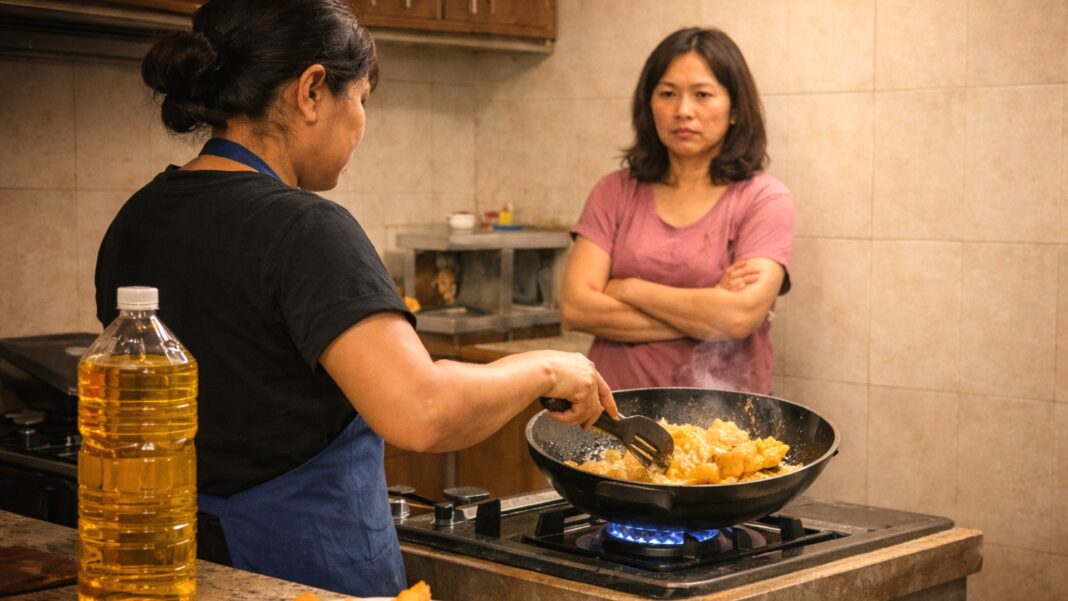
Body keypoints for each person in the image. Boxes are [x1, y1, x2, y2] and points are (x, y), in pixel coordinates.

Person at [94, 0, 615, 596]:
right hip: (301, 571)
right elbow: (422, 411)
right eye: (362, 98)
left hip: (170, 562)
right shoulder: (304, 228)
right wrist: (547, 365)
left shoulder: (138, 218)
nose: (362, 123)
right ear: (312, 90)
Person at [560, 27, 794, 395]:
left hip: (723, 420)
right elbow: (576, 307)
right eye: (667, 94)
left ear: (735, 109)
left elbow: (739, 316)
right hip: (614, 415)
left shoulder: (764, 199)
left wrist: (627, 288)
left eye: (703, 95)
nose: (683, 111)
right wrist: (705, 310)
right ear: (649, 104)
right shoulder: (614, 191)